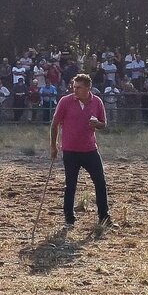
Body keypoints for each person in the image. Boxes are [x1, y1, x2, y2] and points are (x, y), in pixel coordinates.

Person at [50, 74, 114, 229]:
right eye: (74, 86)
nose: (75, 89)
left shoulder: (97, 102)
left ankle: (104, 217)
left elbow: (103, 124)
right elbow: (55, 124)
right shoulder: (65, 101)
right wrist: (53, 146)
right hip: (70, 151)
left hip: (90, 150)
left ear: (88, 88)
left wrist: (97, 124)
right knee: (70, 185)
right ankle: (69, 219)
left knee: (100, 182)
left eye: (78, 87)